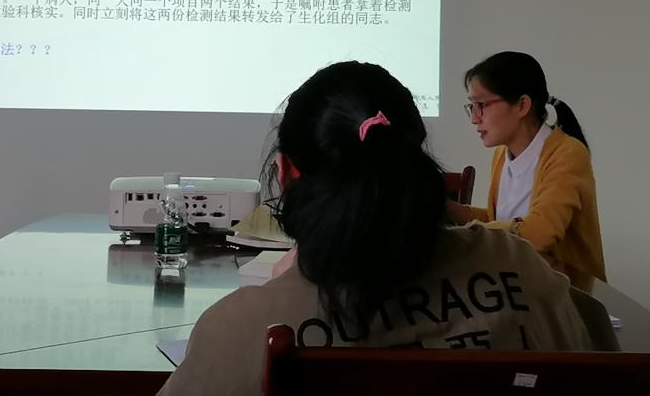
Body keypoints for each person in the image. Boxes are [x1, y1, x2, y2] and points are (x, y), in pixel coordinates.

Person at [158, 61, 592, 396]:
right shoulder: (524, 274)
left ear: (286, 173)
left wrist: (287, 288)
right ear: (411, 167)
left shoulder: (240, 330)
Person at [447, 52, 605, 290]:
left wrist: (465, 234)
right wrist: (449, 210)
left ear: (522, 105)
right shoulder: (502, 155)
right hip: (517, 287)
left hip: (564, 297)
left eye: (482, 105)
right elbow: (503, 222)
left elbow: (540, 232)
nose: (474, 118)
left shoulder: (567, 154)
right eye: (472, 106)